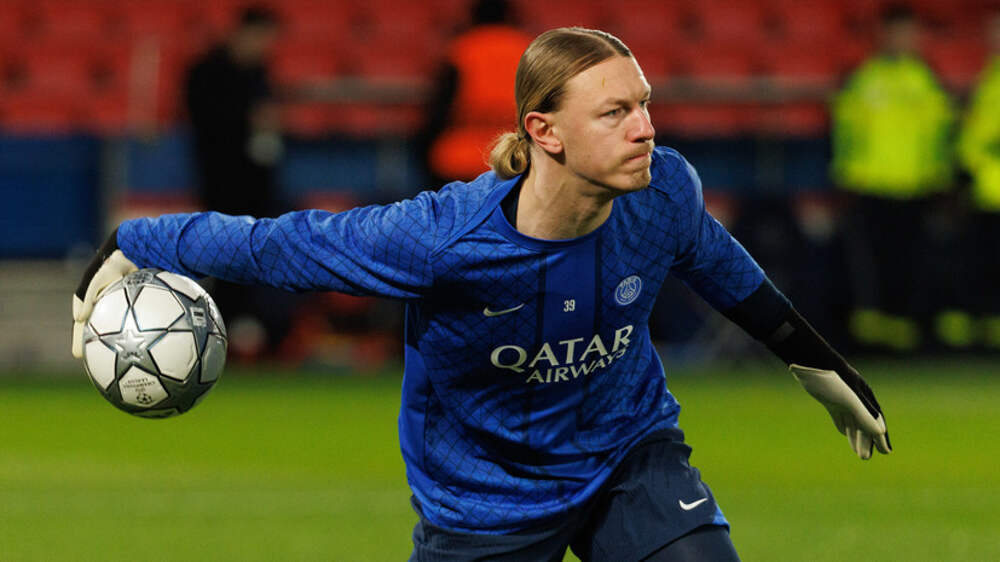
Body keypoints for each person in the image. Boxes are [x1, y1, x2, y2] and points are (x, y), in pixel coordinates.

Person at [72, 28, 890, 562]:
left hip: (626, 455)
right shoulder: (440, 240)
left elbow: (723, 269)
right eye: (615, 112)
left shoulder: (663, 190)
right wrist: (133, 240)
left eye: (644, 104)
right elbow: (281, 244)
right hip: (483, 503)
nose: (645, 128)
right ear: (544, 132)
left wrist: (814, 364)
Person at [830, 4, 956, 352]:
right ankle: (872, 340)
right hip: (872, 185)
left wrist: (940, 176)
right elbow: (846, 130)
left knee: (911, 265)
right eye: (897, 32)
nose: (903, 39)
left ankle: (907, 339)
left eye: (908, 32)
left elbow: (939, 132)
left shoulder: (926, 80)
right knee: (874, 266)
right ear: (882, 35)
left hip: (916, 186)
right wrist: (846, 175)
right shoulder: (865, 79)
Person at [183, 5, 290, 360]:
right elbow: (206, 124)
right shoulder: (208, 72)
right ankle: (216, 336)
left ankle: (247, 338)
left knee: (252, 265)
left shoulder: (260, 74)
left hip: (257, 189)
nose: (265, 46)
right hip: (222, 186)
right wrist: (248, 119)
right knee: (224, 264)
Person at [419, 0, 532, 184]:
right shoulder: (528, 49)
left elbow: (439, 112)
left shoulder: (461, 49)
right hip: (515, 159)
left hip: (459, 161)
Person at [957, 11, 1000, 350]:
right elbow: (975, 138)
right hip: (988, 189)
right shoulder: (990, 80)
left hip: (989, 186)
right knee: (985, 265)